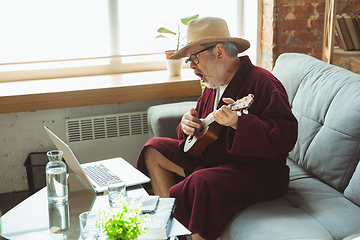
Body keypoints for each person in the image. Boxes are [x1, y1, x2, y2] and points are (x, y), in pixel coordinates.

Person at [137, 17, 298, 240]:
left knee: (201, 182)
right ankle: (170, 228)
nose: (191, 65)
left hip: (258, 173)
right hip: (215, 161)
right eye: (189, 60)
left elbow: (285, 135)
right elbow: (198, 137)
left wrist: (239, 123)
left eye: (194, 58)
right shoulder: (213, 85)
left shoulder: (263, 82)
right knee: (153, 149)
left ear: (219, 52)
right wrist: (187, 126)